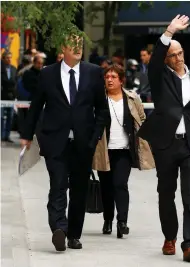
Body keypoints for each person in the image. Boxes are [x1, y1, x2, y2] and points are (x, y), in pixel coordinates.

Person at [19, 36, 109, 251]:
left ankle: (74, 235)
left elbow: (102, 109)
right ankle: (59, 228)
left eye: (81, 44)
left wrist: (95, 137)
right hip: (54, 141)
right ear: (63, 48)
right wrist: (27, 134)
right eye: (73, 44)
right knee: (58, 184)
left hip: (83, 142)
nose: (78, 48)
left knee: (79, 190)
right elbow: (36, 105)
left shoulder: (93, 72)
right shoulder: (48, 73)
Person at [137, 15, 190, 263]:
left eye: (180, 54)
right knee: (166, 193)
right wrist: (169, 32)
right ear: (166, 59)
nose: (178, 58)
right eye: (173, 55)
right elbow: (156, 59)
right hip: (166, 144)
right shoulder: (159, 77)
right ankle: (170, 236)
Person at [92, 64, 155, 239]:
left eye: (113, 77)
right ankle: (107, 220)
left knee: (120, 184)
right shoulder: (99, 98)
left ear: (121, 80)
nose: (110, 80)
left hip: (124, 150)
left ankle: (122, 222)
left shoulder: (132, 98)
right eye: (107, 77)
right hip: (104, 149)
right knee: (106, 187)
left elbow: (141, 118)